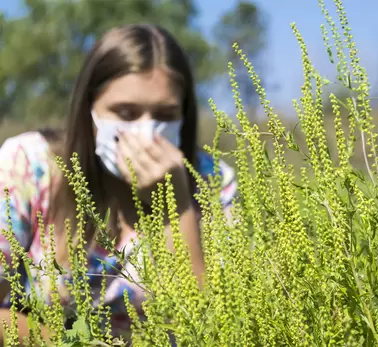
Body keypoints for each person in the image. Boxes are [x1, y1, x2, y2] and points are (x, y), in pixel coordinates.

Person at [0, 24, 237, 344]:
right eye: (125, 112)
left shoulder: (211, 182)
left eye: (165, 115)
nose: (145, 131)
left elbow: (215, 326)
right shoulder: (29, 164)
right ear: (89, 110)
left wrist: (176, 205)